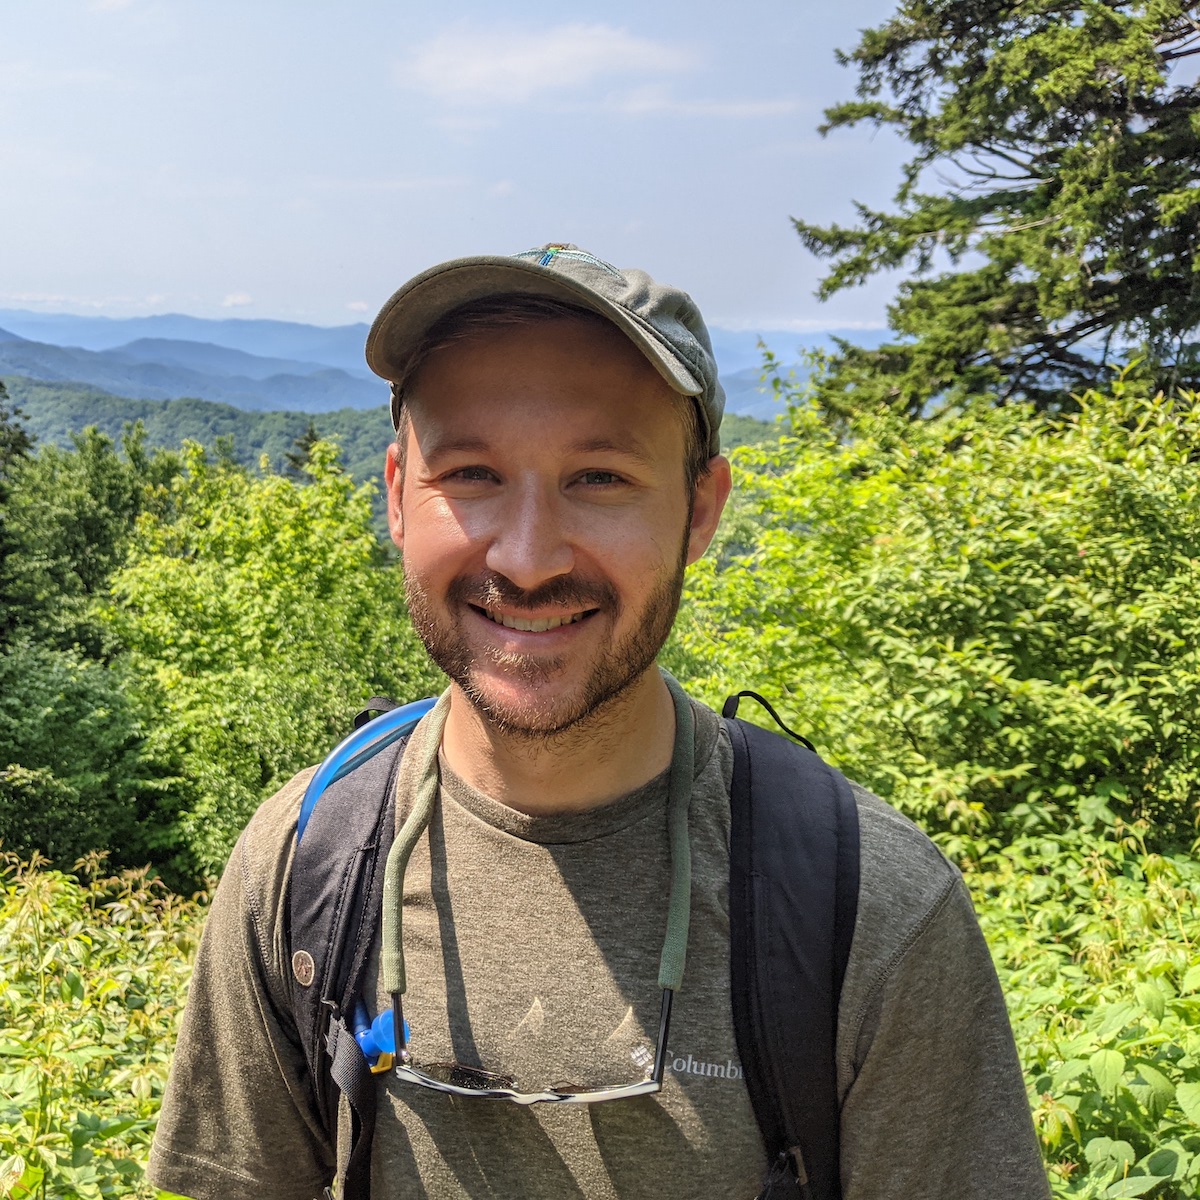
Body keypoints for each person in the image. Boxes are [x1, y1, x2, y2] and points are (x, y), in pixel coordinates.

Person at [148, 243, 1050, 1200]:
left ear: (701, 511)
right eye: (472, 475)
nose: (530, 559)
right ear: (398, 497)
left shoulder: (870, 909)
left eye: (601, 479)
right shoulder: (307, 860)